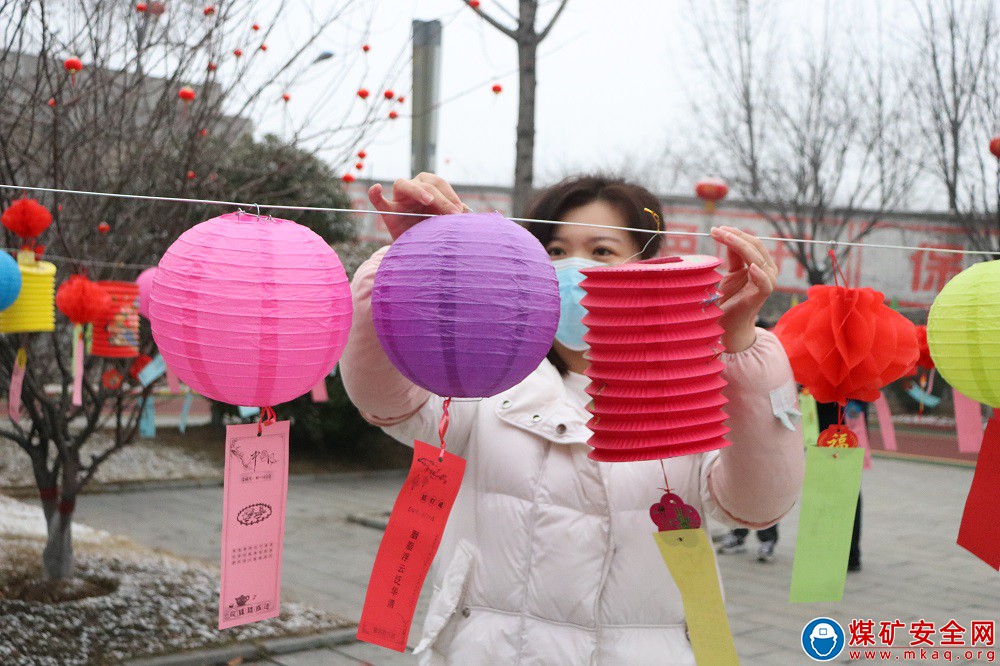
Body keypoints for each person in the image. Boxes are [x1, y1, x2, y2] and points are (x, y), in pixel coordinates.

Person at [341, 173, 806, 664]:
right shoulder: (480, 373)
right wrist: (407, 265)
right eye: (555, 250)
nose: (572, 269)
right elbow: (386, 398)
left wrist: (740, 348)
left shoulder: (684, 389)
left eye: (602, 251)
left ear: (649, 270)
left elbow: (756, 504)